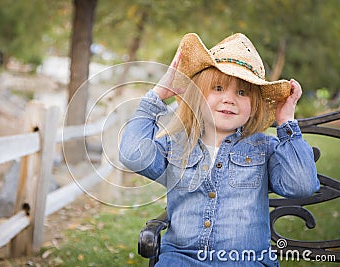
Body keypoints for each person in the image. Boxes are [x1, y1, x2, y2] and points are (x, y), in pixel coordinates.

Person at [119, 33, 320, 266]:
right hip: (182, 259)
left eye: (242, 92)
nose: (229, 99)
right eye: (218, 88)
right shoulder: (176, 144)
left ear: (254, 105)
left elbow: (302, 185)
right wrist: (157, 95)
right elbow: (133, 155)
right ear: (198, 96)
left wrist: (286, 123)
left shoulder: (265, 148)